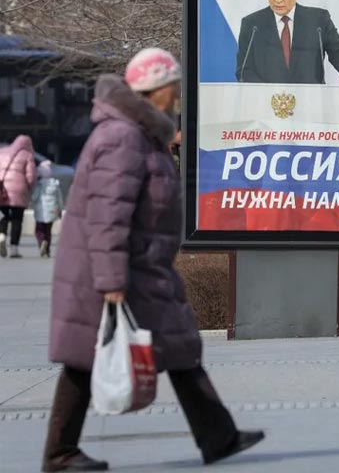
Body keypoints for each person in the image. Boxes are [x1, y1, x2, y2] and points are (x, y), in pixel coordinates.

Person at [42, 48, 264, 472]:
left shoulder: (140, 133)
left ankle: (219, 436)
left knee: (178, 347)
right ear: (154, 88)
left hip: (141, 268)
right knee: (84, 358)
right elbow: (108, 215)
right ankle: (58, 454)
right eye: (173, 86)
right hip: (112, 271)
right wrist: (111, 280)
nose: (177, 94)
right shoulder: (122, 137)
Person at [0, 134, 36, 259]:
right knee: (17, 219)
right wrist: (30, 187)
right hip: (19, 190)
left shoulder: (2, 152)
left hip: (2, 190)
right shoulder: (27, 155)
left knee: (3, 216)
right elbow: (30, 176)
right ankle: (14, 249)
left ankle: (1, 235)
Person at [31, 160, 64, 258]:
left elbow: (34, 197)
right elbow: (59, 199)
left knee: (39, 230)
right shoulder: (55, 184)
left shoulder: (39, 184)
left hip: (40, 211)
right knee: (48, 231)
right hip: (52, 211)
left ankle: (41, 242)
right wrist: (60, 209)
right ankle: (47, 250)